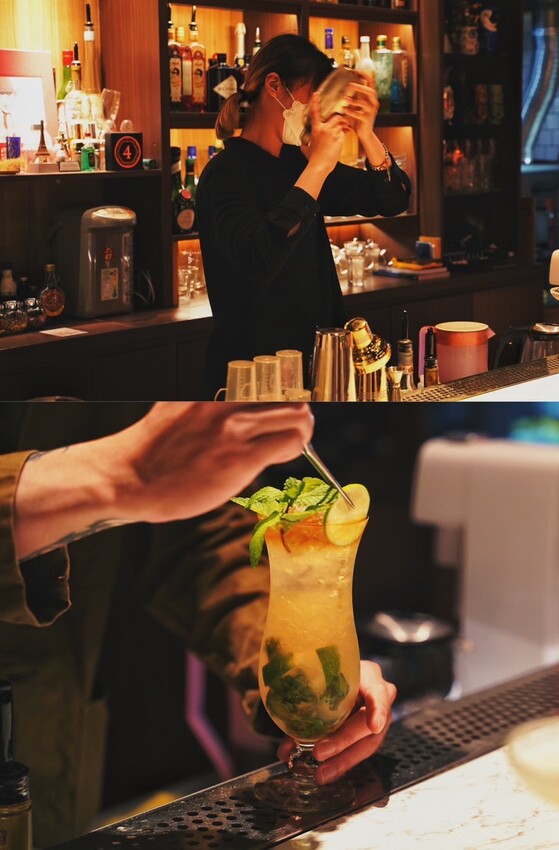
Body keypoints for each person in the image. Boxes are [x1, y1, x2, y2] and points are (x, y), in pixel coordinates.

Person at [0, 402, 396, 846]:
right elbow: (150, 473)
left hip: (57, 740)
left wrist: (298, 676)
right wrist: (119, 473)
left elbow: (197, 528)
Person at [195, 34, 411, 399]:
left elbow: (392, 198)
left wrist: (367, 134)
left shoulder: (299, 162)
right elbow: (260, 256)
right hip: (254, 376)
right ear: (274, 86)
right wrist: (319, 166)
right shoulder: (225, 174)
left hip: (320, 371)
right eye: (313, 98)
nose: (316, 111)